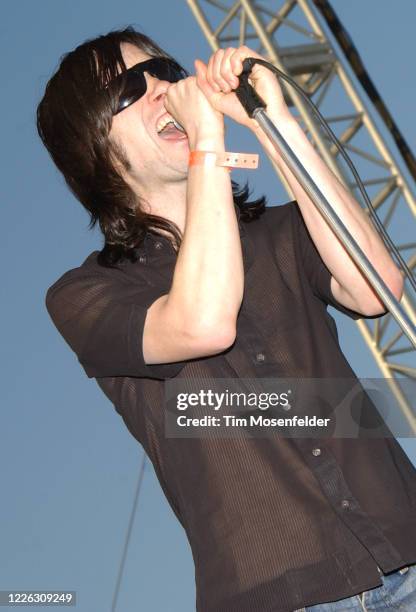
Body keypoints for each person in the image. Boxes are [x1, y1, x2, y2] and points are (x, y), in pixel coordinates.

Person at [37, 26, 416, 612]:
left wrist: (273, 120)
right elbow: (203, 324)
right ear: (92, 142)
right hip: (280, 595)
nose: (166, 87)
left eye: (166, 70)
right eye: (136, 84)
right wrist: (206, 142)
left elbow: (375, 287)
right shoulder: (86, 292)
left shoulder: (279, 233)